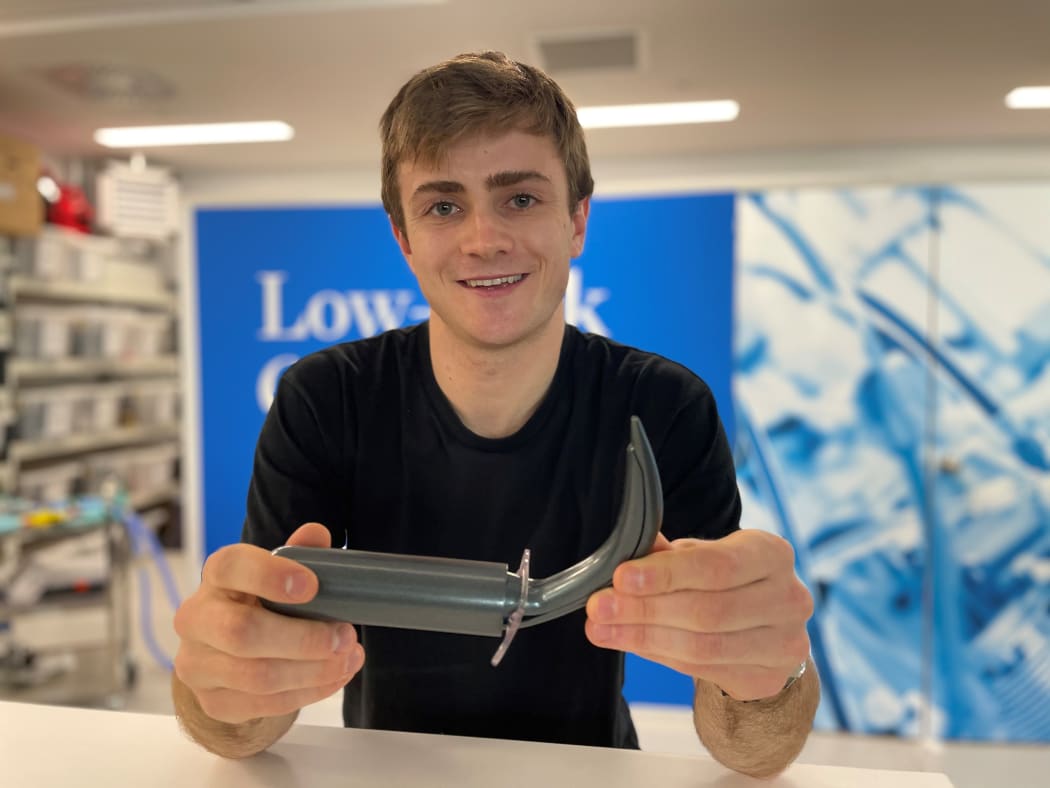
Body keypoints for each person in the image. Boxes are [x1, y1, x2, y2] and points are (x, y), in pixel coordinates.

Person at [171, 50, 819, 778]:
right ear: (404, 237)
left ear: (577, 220)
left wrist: (770, 677)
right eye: (444, 205)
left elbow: (751, 747)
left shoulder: (664, 406)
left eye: (520, 198)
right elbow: (243, 721)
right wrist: (220, 685)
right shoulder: (326, 398)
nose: (485, 238)